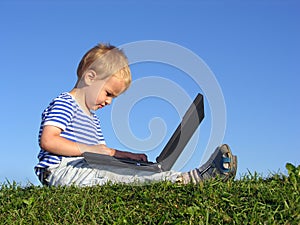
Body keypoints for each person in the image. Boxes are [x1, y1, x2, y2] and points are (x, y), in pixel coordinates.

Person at [34, 43, 237, 186]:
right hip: (61, 171)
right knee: (115, 177)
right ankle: (189, 179)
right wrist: (90, 150)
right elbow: (48, 141)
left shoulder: (91, 118)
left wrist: (127, 157)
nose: (108, 101)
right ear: (90, 77)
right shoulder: (65, 103)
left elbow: (103, 153)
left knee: (122, 170)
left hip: (85, 166)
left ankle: (158, 173)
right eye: (108, 93)